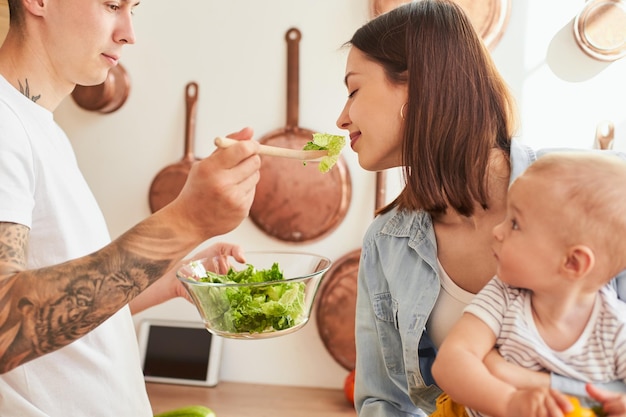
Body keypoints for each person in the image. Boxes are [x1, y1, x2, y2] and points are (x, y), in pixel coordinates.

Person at [334, 1, 626, 416]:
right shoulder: (386, 244)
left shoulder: (604, 189)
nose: (341, 118)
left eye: (353, 90)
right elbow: (386, 402)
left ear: (417, 86)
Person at [0, 0, 261, 415]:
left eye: (132, 9)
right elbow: (4, 324)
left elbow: (69, 308)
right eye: (111, 5)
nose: (129, 32)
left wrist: (171, 274)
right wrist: (186, 221)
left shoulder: (45, 131)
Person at [431, 153, 626, 417]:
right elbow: (450, 362)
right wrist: (509, 402)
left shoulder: (617, 330)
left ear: (572, 263)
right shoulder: (504, 295)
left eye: (515, 224)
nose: (497, 231)